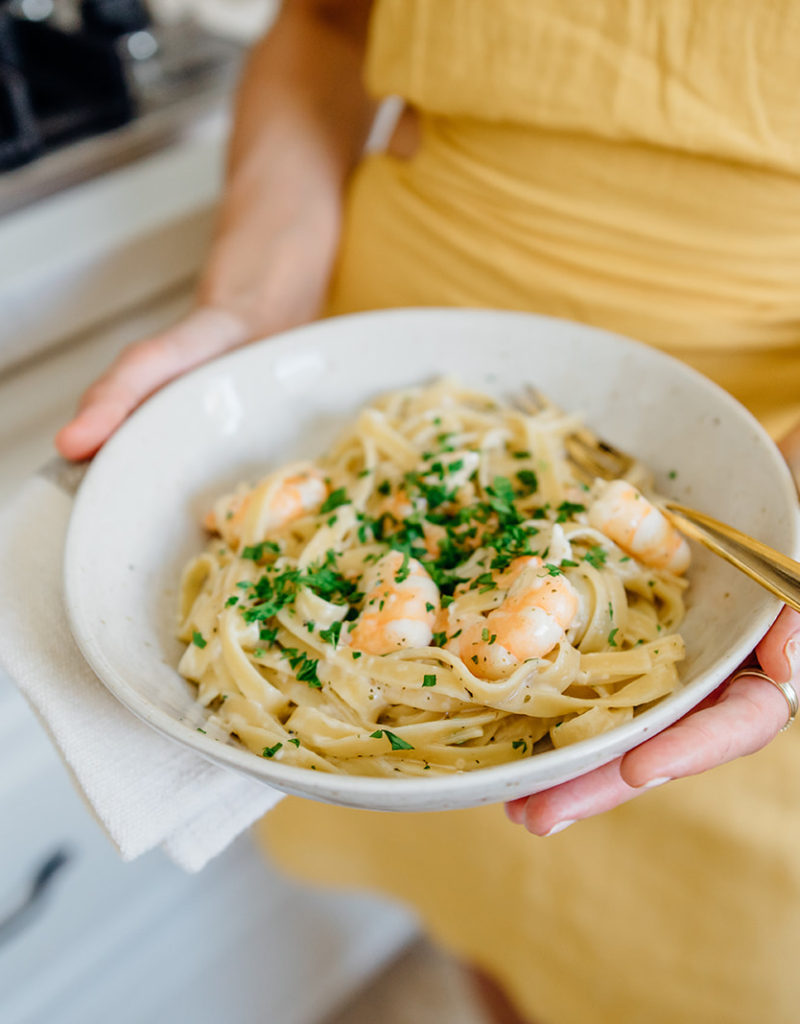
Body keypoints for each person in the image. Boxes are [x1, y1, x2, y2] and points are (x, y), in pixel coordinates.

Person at [56, 2, 800, 1021]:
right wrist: (252, 305)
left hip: (746, 486)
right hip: (381, 379)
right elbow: (327, 25)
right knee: (479, 920)